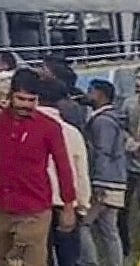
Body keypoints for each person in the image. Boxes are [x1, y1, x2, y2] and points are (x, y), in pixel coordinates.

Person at [0, 68, 77, 266]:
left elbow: (64, 167)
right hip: (0, 206)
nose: (26, 105)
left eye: (31, 100)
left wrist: (69, 206)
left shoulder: (49, 127)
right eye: (21, 99)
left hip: (34, 208)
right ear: (11, 96)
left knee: (31, 262)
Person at [37, 80, 90, 266]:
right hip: (67, 206)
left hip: (34, 207)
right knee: (69, 259)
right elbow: (81, 173)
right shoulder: (72, 132)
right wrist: (82, 207)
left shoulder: (24, 130)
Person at [82, 79, 128, 266]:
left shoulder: (102, 121)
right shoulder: (114, 119)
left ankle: (91, 262)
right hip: (117, 180)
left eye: (90, 91)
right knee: (109, 229)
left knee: (83, 225)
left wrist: (98, 181)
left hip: (104, 181)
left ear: (100, 95)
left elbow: (103, 151)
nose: (87, 95)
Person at [119, 75, 140, 262]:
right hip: (131, 165)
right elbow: (121, 126)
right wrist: (131, 142)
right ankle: (125, 247)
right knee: (123, 208)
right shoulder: (129, 103)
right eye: (137, 79)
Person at [40, 55, 86, 130]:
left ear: (53, 74)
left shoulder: (73, 101)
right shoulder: (77, 95)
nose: (40, 71)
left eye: (43, 68)